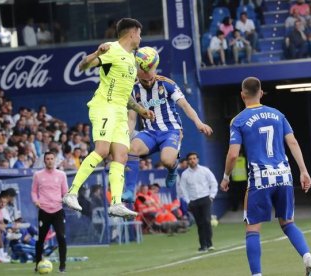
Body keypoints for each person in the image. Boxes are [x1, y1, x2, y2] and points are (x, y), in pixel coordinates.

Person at [220, 77, 311, 276]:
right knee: (288, 223)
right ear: (261, 93)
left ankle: (257, 275)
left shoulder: (238, 120)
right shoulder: (278, 114)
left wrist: (226, 176)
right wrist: (304, 171)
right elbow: (293, 143)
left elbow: (232, 154)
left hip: (260, 178)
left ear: (242, 94)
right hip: (284, 175)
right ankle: (307, 257)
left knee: (252, 229)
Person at [62, 18, 154, 218]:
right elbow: (82, 67)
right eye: (139, 33)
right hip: (104, 106)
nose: (140, 37)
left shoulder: (131, 58)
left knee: (121, 156)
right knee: (102, 150)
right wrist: (97, 53)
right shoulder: (111, 49)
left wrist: (140, 110)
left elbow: (125, 94)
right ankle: (71, 193)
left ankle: (116, 203)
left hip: (120, 111)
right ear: (132, 33)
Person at [123, 67, 213, 202]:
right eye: (144, 80)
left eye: (151, 78)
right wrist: (126, 136)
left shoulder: (167, 84)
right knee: (132, 149)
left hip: (171, 130)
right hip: (150, 132)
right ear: (138, 76)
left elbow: (185, 105)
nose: (148, 82)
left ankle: (173, 168)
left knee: (166, 161)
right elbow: (131, 118)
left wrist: (199, 123)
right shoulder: (133, 89)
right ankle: (130, 191)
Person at [31, 151, 68, 273]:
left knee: (61, 237)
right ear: (44, 160)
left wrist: (67, 199)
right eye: (47, 159)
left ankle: (62, 265)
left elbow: (65, 192)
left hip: (58, 210)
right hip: (44, 210)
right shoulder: (38, 175)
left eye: (52, 158)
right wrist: (36, 201)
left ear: (55, 160)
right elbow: (34, 192)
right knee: (40, 239)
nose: (50, 161)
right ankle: (37, 264)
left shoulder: (62, 175)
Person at [179, 152, 218, 253]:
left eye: (194, 158)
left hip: (205, 198)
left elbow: (213, 183)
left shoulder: (205, 170)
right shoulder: (185, 174)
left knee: (206, 221)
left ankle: (209, 244)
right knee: (199, 223)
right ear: (188, 161)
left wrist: (212, 196)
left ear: (197, 159)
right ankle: (203, 245)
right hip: (193, 201)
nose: (192, 160)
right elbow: (183, 189)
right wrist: (188, 201)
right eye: (190, 159)